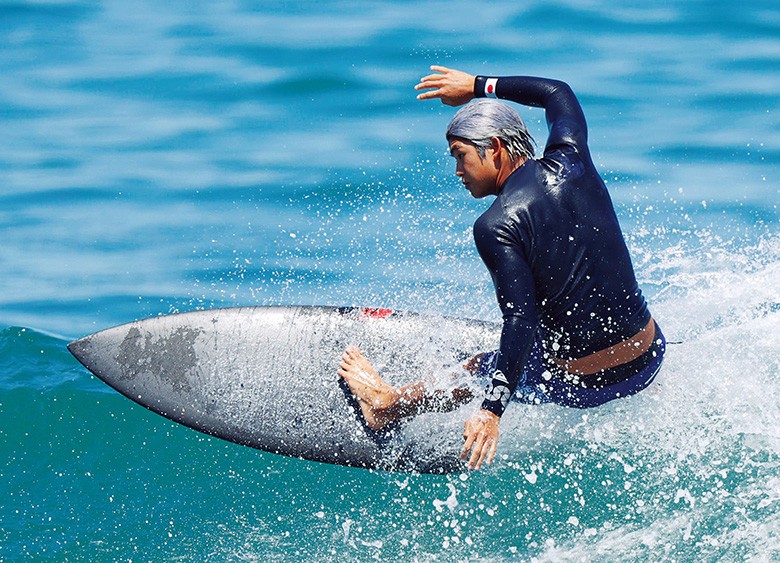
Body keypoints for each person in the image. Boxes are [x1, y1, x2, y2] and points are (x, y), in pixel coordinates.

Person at [338, 66, 666, 470]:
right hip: (649, 358)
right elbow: (556, 91)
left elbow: (520, 320)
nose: (457, 172)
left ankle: (386, 405)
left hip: (586, 385)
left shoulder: (496, 225)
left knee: (479, 366)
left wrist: (491, 410)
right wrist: (477, 86)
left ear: (493, 147)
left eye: (460, 156)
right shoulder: (573, 161)